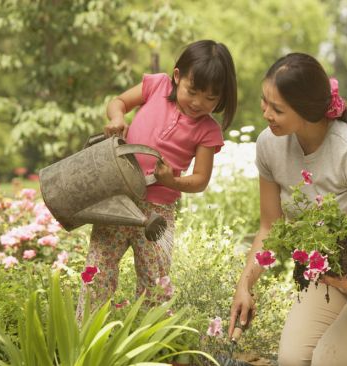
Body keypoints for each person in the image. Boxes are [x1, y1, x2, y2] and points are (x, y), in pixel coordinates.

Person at [228, 53, 347, 366]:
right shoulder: (269, 145)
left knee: (333, 360)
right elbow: (270, 227)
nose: (266, 114)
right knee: (291, 360)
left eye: (277, 109)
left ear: (308, 111)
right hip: (329, 278)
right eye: (265, 102)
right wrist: (244, 285)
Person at [77, 40, 237, 317]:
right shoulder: (157, 87)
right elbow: (118, 102)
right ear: (177, 77)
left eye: (211, 98)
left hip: (157, 214)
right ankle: (86, 340)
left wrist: (171, 181)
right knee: (98, 272)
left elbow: (200, 179)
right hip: (119, 199)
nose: (199, 103)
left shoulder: (208, 130)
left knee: (155, 285)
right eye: (192, 91)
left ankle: (149, 350)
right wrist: (117, 119)